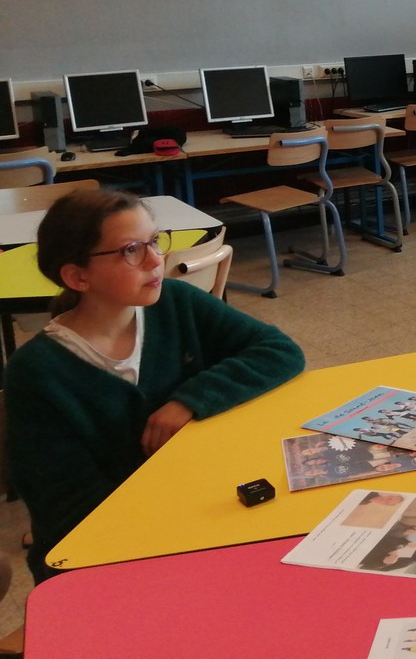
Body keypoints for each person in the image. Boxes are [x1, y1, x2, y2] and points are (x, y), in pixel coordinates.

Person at [4, 189, 305, 583]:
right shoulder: (37, 372)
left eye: (155, 241)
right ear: (78, 277)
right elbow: (70, 513)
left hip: (198, 515)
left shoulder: (175, 301)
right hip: (103, 557)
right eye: (131, 250)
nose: (155, 260)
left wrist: (189, 400)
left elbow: (280, 351)